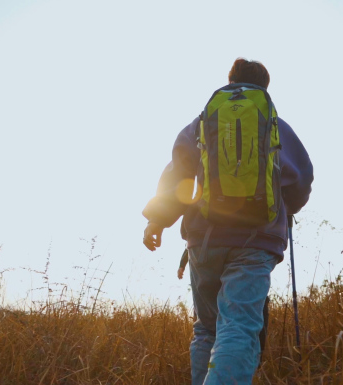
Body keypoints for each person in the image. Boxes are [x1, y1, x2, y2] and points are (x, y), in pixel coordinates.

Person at [142, 58, 313, 385]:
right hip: (255, 241)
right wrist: (287, 207)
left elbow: (178, 177)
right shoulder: (275, 125)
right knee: (238, 327)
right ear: (265, 86)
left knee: (207, 329)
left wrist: (157, 221)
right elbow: (301, 178)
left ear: (230, 80)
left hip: (204, 242)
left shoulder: (201, 123)